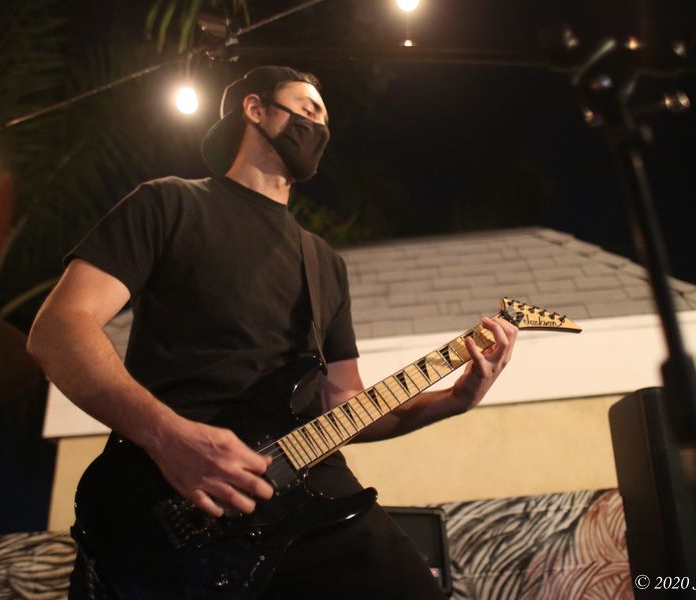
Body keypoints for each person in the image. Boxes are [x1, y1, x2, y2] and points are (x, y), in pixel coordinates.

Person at [27, 65, 519, 599]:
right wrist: (167, 437)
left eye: (325, 120)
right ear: (255, 109)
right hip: (169, 498)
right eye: (307, 109)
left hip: (312, 496)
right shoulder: (169, 203)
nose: (319, 126)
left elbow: (343, 404)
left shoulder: (323, 263)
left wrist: (453, 400)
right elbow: (59, 327)